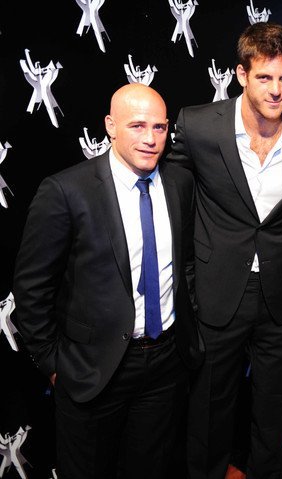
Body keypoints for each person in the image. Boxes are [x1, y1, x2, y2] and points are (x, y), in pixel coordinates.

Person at [12, 83, 203, 478]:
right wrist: (55, 365)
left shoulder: (180, 183)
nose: (151, 140)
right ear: (110, 126)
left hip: (166, 363)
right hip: (93, 371)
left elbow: (184, 265)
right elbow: (31, 291)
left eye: (160, 128)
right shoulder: (66, 191)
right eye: (137, 126)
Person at [165, 22, 282, 479]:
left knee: (275, 407)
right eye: (264, 77)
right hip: (218, 291)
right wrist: (191, 278)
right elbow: (175, 200)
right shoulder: (198, 125)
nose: (276, 90)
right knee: (209, 408)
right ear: (241, 74)